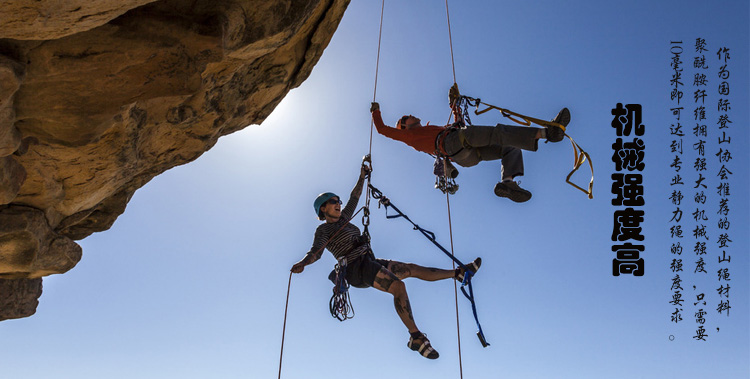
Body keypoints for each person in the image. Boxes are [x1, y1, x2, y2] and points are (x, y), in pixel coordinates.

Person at [291, 159, 481, 359]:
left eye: (339, 201)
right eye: (333, 202)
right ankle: (415, 337)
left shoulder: (345, 218)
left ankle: (458, 274)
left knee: (411, 268)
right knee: (398, 287)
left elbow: (354, 197)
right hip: (356, 269)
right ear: (323, 208)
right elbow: (315, 252)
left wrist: (362, 176)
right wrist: (303, 263)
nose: (339, 204)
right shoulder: (323, 230)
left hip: (369, 261)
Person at [370, 102, 571, 203]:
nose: (411, 114)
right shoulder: (410, 137)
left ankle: (508, 183)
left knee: (510, 146)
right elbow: (383, 130)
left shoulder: (429, 129)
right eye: (406, 117)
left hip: (465, 155)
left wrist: (454, 105)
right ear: (405, 127)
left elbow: (458, 123)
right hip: (453, 143)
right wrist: (376, 112)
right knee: (498, 134)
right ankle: (547, 133)